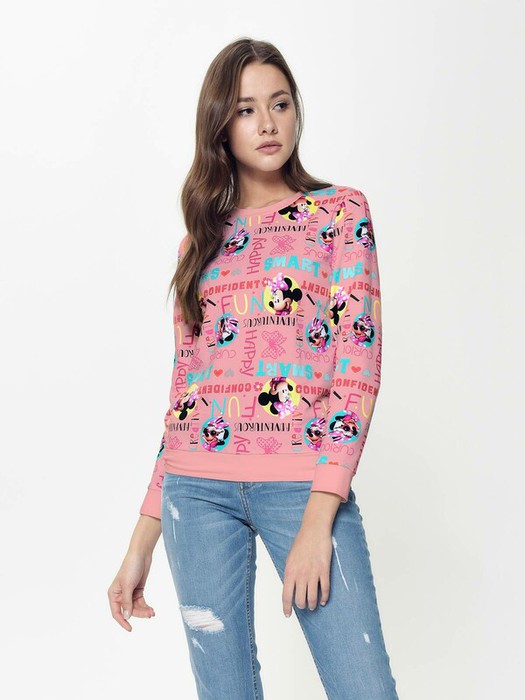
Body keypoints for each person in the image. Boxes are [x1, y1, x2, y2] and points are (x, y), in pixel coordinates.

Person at [108, 37, 400, 700]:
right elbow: (185, 398)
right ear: (220, 125)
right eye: (245, 109)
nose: (267, 123)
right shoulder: (199, 242)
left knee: (364, 689)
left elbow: (357, 366)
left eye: (279, 104)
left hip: (302, 487)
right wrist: (141, 542)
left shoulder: (339, 213)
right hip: (194, 493)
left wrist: (319, 518)